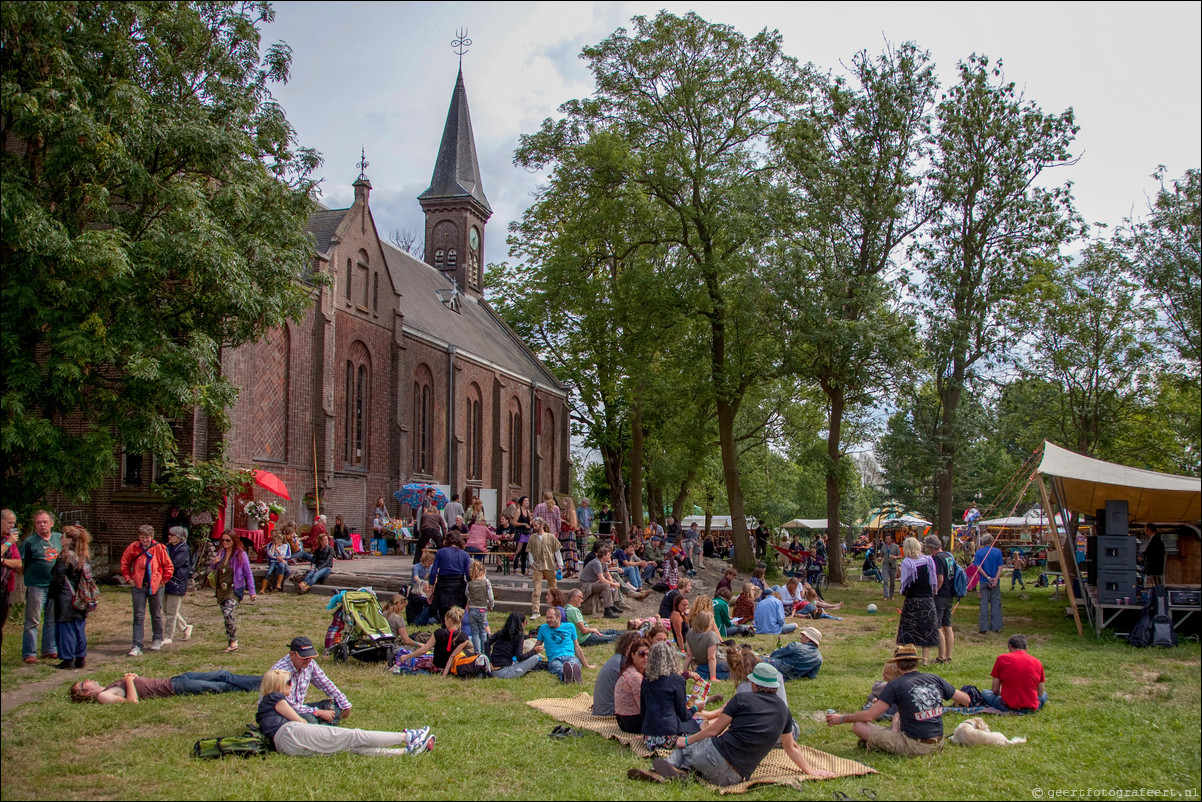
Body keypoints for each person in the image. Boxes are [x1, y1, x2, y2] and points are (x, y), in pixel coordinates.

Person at [638, 663, 834, 787]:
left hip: (710, 756)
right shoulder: (785, 712)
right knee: (697, 753)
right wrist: (810, 771)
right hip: (732, 778)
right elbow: (791, 748)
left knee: (688, 747)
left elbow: (714, 730)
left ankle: (665, 769)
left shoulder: (741, 699)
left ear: (754, 684)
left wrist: (686, 740)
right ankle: (683, 772)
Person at [825, 644, 971, 756]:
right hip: (939, 743)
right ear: (916, 663)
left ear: (898, 666)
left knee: (859, 726)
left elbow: (869, 716)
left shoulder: (896, 685)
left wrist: (841, 718)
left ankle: (886, 741)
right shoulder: (935, 679)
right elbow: (965, 699)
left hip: (915, 745)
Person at [257, 669, 433, 756]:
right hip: (290, 733)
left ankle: (405, 752)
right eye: (288, 682)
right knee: (353, 736)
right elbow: (297, 719)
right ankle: (407, 737)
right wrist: (316, 727)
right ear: (278, 685)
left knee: (350, 748)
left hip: (285, 745)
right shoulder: (274, 698)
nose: (292, 684)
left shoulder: (267, 703)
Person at [119, 524, 174, 657]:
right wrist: (128, 579)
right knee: (138, 616)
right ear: (139, 537)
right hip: (138, 585)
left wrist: (163, 581)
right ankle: (137, 645)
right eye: (142, 537)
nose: (145, 540)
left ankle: (157, 638)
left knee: (156, 613)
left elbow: (168, 566)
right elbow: (124, 563)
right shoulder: (133, 548)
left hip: (155, 585)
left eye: (147, 537)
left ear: (152, 537)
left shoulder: (159, 548)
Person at [270, 636, 352, 723]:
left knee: (333, 706)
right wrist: (318, 712)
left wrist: (344, 703)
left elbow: (325, 683)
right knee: (310, 719)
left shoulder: (310, 664)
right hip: (281, 713)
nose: (309, 660)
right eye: (304, 657)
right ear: (292, 654)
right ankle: (320, 727)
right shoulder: (281, 672)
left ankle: (319, 727)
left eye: (310, 657)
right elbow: (287, 706)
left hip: (299, 708)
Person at [640, 640, 702, 751]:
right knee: (701, 722)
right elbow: (683, 715)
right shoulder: (677, 680)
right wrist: (695, 708)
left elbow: (643, 711)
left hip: (650, 738)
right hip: (669, 736)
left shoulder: (646, 680)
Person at [20, 509, 64, 663]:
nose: (42, 525)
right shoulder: (29, 542)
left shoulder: (59, 538)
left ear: (51, 523)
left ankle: (49, 649)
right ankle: (29, 653)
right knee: (33, 620)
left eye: (45, 522)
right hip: (36, 585)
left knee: (51, 619)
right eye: (39, 523)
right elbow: (20, 563)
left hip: (53, 585)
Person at [71, 669, 262, 703]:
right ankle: (264, 686)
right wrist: (129, 680)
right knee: (222, 686)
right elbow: (132, 702)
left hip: (174, 679)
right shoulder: (102, 696)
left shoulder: (106, 689)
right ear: (84, 691)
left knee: (223, 675)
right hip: (173, 688)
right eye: (83, 683)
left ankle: (263, 680)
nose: (87, 679)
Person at [49, 525, 93, 669]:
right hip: (81, 597)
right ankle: (81, 657)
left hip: (66, 597)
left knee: (65, 629)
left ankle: (67, 659)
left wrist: (52, 594)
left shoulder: (65, 556)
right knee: (79, 628)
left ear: (68, 540)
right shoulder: (83, 556)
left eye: (62, 537)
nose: (60, 539)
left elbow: (58, 578)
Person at [210, 531, 256, 651]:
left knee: (228, 613)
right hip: (221, 589)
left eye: (227, 540)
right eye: (223, 540)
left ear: (234, 541)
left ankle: (234, 641)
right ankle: (230, 640)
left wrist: (252, 591)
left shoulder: (240, 554)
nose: (224, 543)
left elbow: (248, 573)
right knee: (225, 616)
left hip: (234, 588)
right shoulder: (221, 552)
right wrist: (214, 562)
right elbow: (213, 569)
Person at [897, 536, 940, 663]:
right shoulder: (929, 560)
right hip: (927, 599)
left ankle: (911, 657)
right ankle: (925, 660)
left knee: (911, 630)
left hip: (913, 600)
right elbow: (933, 579)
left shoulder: (907, 563)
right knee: (926, 629)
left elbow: (905, 584)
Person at [981, 634, 1047, 713]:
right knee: (1044, 695)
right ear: (1026, 649)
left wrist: (1002, 693)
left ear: (1010, 647)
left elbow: (995, 689)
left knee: (985, 693)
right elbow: (1040, 692)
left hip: (1007, 706)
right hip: (1030, 707)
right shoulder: (1037, 662)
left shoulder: (1002, 659)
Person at [404, 606, 474, 677]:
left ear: (449, 620)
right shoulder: (464, 637)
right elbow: (452, 656)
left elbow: (423, 650)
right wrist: (444, 675)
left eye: (445, 620)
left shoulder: (438, 633)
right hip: (451, 669)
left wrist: (406, 656)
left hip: (437, 666)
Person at [535, 604, 594, 682]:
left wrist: (586, 665)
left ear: (559, 618)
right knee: (558, 667)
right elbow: (536, 646)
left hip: (569, 656)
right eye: (547, 617)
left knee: (574, 663)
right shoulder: (543, 628)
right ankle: (566, 676)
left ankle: (573, 675)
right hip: (554, 658)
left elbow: (577, 647)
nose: (548, 620)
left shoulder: (570, 626)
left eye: (551, 617)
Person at [592, 630, 644, 716]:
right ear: (627, 646)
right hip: (609, 711)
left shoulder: (617, 658)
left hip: (601, 708)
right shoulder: (623, 663)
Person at [428, 532, 472, 622]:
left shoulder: (440, 553)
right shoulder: (465, 555)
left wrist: (431, 590)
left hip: (442, 586)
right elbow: (468, 574)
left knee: (444, 616)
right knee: (457, 617)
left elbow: (433, 573)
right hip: (458, 586)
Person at [485, 612, 543, 679]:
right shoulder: (519, 636)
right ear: (521, 623)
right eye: (525, 622)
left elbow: (487, 643)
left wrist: (489, 661)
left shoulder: (501, 632)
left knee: (515, 661)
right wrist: (534, 651)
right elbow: (520, 657)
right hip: (505, 672)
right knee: (535, 657)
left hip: (493, 670)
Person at [929, 534, 957, 664]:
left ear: (931, 547)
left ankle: (941, 656)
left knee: (938, 626)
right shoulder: (948, 556)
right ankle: (949, 655)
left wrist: (935, 591)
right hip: (950, 594)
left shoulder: (937, 558)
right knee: (948, 625)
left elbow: (940, 578)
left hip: (941, 595)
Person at [613, 637, 651, 733]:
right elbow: (644, 706)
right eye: (641, 654)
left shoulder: (635, 670)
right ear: (633, 655)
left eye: (648, 654)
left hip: (625, 719)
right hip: (632, 721)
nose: (646, 657)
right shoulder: (634, 677)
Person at [163, 526, 193, 643]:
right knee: (166, 609)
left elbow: (173, 564)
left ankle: (168, 636)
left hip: (177, 582)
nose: (169, 537)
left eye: (172, 535)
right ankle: (185, 627)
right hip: (167, 581)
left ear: (179, 537)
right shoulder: (168, 547)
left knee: (171, 612)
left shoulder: (183, 549)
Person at [579, 546, 624, 618]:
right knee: (606, 585)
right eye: (608, 555)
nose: (610, 556)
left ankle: (612, 604)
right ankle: (607, 610)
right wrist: (613, 584)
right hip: (587, 584)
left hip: (595, 582)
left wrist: (613, 584)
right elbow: (602, 579)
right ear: (603, 556)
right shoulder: (596, 563)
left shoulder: (604, 563)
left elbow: (608, 575)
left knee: (613, 582)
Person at [528, 517, 560, 618]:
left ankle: (555, 608)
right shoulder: (532, 538)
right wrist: (532, 562)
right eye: (533, 526)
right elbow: (530, 551)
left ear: (541, 525)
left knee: (553, 587)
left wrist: (560, 563)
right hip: (537, 566)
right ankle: (535, 611)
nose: (534, 527)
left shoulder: (550, 537)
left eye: (536, 525)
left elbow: (556, 550)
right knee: (536, 589)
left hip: (550, 565)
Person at [972, 534, 1005, 633]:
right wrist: (995, 579)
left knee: (984, 604)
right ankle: (995, 627)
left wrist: (987, 577)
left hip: (983, 580)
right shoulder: (997, 552)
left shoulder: (979, 552)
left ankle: (983, 628)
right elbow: (1000, 567)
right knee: (995, 603)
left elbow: (978, 566)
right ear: (992, 541)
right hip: (995, 580)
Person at [685, 609, 728, 680]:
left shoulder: (690, 633)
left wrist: (685, 670)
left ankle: (699, 670)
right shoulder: (711, 635)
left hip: (701, 662)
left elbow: (689, 655)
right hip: (717, 663)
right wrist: (713, 677)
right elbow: (711, 658)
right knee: (733, 671)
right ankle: (699, 670)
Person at [465, 559, 494, 656]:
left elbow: (467, 594)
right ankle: (484, 652)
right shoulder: (486, 582)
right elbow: (490, 596)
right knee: (483, 631)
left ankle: (477, 652)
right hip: (482, 608)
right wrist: (491, 605)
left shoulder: (470, 583)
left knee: (474, 632)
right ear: (482, 572)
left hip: (472, 608)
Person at [1, 509, 20, 649]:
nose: (11, 526)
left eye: (13, 523)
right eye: (9, 522)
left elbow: (18, 563)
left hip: (4, 587)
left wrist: (2, 561)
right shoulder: (9, 541)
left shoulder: (10, 540)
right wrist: (7, 543)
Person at [512, 496, 533, 575]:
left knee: (525, 552)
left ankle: (524, 570)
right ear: (522, 502)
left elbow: (530, 520)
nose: (527, 502)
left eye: (528, 501)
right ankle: (515, 568)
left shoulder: (527, 511)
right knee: (518, 551)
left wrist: (529, 524)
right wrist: (523, 524)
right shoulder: (518, 511)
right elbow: (514, 522)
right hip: (520, 532)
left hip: (526, 532)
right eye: (525, 501)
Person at [881, 535, 901, 600]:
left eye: (888, 539)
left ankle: (891, 595)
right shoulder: (883, 547)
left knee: (892, 581)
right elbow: (881, 556)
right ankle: (886, 596)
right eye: (886, 539)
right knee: (885, 580)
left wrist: (895, 557)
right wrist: (880, 558)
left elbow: (900, 556)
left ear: (891, 540)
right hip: (885, 564)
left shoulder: (896, 547)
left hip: (893, 565)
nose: (887, 540)